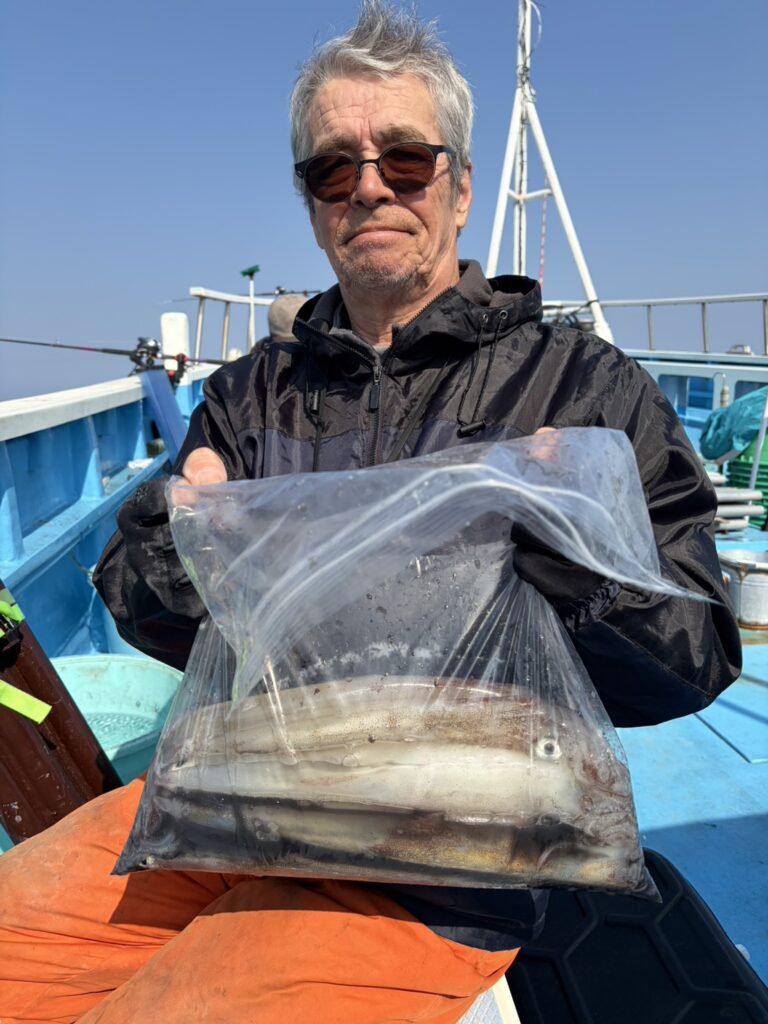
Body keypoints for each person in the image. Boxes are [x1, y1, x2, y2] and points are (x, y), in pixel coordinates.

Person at [0, 2, 741, 1022]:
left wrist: (564, 547)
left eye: (405, 158)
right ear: (310, 201)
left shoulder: (585, 389)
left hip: (454, 857)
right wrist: (188, 543)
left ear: (461, 185)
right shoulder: (250, 396)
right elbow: (138, 594)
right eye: (332, 168)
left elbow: (697, 643)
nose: (370, 186)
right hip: (243, 800)